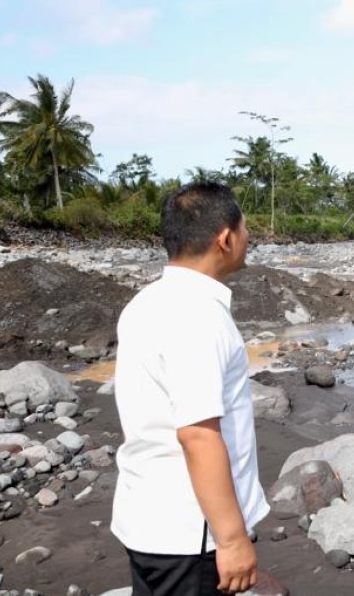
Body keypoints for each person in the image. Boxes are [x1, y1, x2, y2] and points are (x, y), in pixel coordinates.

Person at [112, 182, 268, 595]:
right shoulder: (198, 317)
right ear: (225, 239)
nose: (249, 238)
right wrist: (232, 539)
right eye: (246, 228)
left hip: (146, 516)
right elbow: (197, 433)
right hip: (189, 534)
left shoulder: (146, 302)